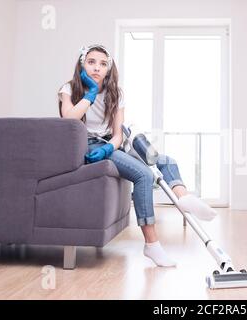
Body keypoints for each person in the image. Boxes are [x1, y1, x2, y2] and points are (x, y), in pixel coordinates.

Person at [57, 44, 217, 267]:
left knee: (164, 161)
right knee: (144, 175)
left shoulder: (115, 94)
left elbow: (117, 133)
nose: (97, 68)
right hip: (86, 145)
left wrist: (109, 148)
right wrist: (90, 93)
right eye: (91, 62)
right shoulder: (69, 88)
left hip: (108, 145)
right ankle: (152, 245)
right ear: (82, 65)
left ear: (109, 69)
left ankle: (183, 198)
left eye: (103, 64)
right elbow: (69, 120)